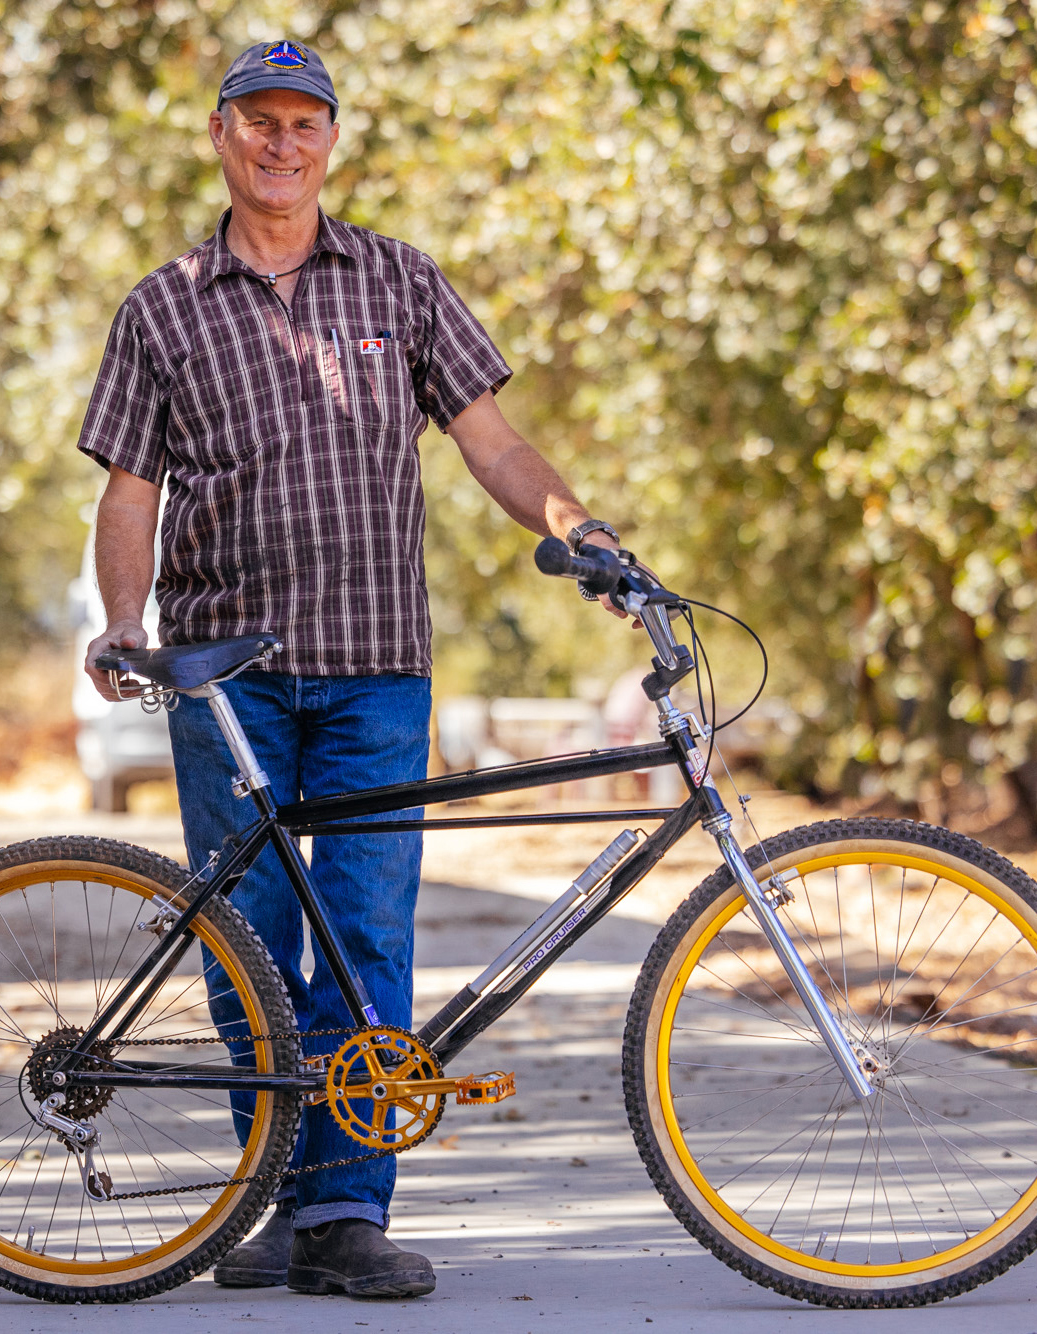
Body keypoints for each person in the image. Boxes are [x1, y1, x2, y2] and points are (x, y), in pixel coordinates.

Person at [76, 39, 621, 1300]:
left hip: (378, 667)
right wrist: (120, 616)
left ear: (332, 140)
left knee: (369, 933)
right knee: (249, 943)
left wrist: (578, 531)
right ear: (219, 134)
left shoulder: (400, 281)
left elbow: (492, 442)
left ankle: (342, 1212)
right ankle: (265, 1195)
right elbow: (129, 487)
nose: (281, 143)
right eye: (257, 121)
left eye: (303, 123)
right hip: (228, 674)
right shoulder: (162, 305)